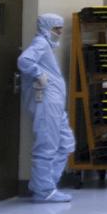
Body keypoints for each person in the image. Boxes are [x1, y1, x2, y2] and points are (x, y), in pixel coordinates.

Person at [16, 14, 76, 203]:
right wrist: (38, 73)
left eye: (60, 29)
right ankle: (44, 191)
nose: (59, 33)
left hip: (55, 105)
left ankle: (46, 183)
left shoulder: (47, 46)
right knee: (46, 146)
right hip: (46, 104)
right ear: (46, 28)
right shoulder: (41, 43)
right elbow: (24, 61)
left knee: (66, 143)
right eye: (56, 29)